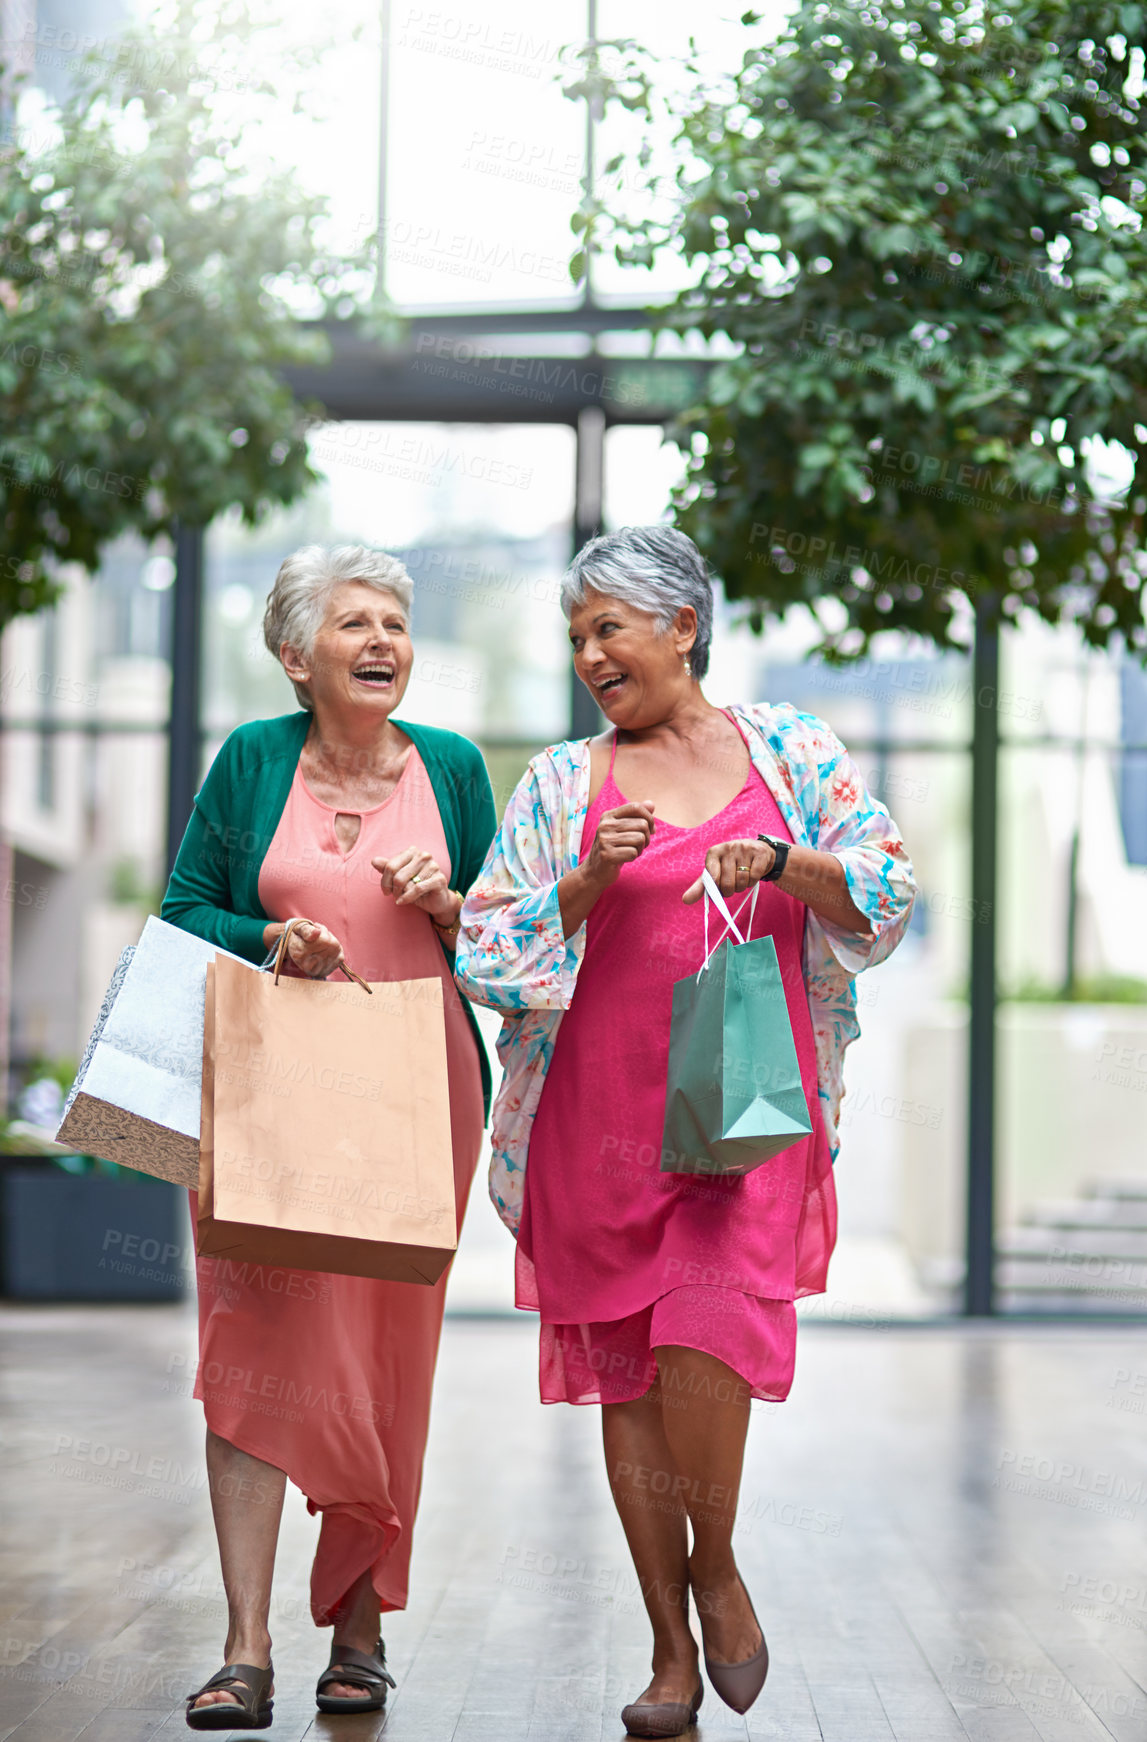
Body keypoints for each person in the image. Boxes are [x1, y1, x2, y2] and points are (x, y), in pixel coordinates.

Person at [454, 525, 916, 1739]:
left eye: (609, 627)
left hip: (742, 1100)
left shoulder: (791, 749)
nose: (590, 655)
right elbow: (486, 946)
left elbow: (886, 888)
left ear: (681, 625)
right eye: (575, 638)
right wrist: (582, 886)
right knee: (626, 1375)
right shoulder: (563, 781)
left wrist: (789, 860)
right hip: (594, 1115)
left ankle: (715, 1566)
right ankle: (668, 1648)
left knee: (707, 1333)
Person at [162, 544, 495, 1730]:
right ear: (297, 655)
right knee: (250, 1336)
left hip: (417, 1096)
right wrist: (270, 934)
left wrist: (451, 903)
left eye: (396, 621)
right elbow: (181, 909)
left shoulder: (450, 768)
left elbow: (506, 949)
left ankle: (359, 1634)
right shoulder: (253, 758)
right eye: (354, 621)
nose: (381, 640)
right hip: (269, 1095)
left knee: (382, 1365)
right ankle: (244, 1643)